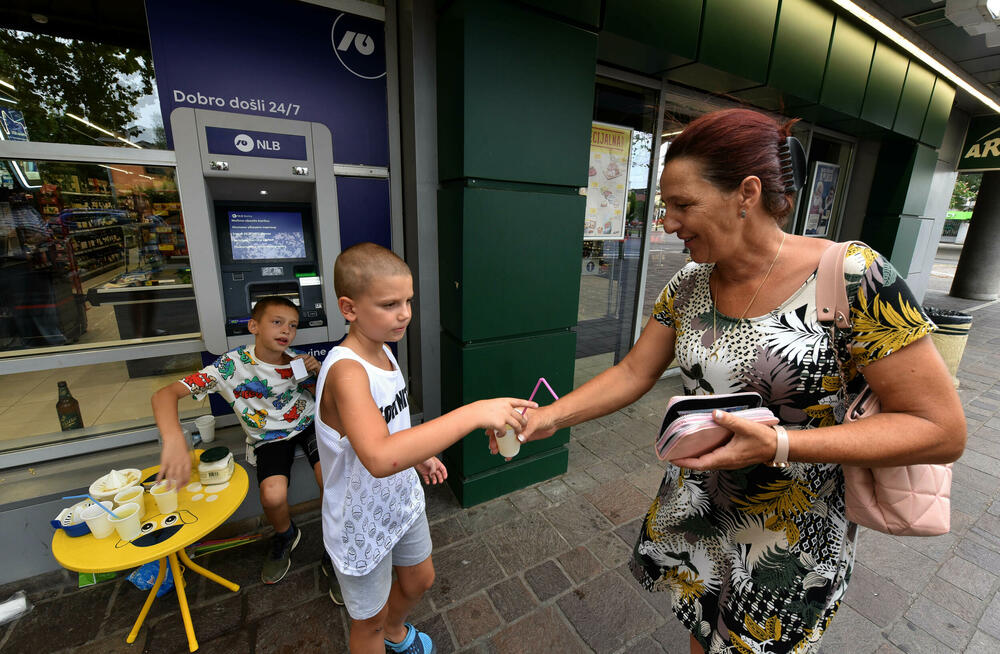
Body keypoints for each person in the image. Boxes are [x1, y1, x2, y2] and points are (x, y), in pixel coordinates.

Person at [505, 108, 967, 654]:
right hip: (700, 510)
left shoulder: (853, 275)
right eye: (665, 206)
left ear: (746, 193)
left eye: (682, 205)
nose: (668, 223)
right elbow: (634, 371)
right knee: (703, 636)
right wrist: (547, 418)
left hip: (788, 541)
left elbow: (941, 429)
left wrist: (781, 444)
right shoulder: (690, 283)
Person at [316, 242, 535, 654]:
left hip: (399, 499)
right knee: (368, 621)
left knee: (420, 579)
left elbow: (389, 427)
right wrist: (473, 413)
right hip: (359, 520)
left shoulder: (383, 349)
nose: (404, 313)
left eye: (408, 301)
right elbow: (379, 456)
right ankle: (383, 632)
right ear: (349, 308)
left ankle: (395, 633)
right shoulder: (346, 372)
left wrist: (417, 456)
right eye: (388, 304)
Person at [152, 296, 342, 599]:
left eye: (292, 325)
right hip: (268, 437)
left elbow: (323, 398)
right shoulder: (230, 365)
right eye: (277, 322)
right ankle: (285, 535)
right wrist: (174, 438)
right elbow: (164, 394)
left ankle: (336, 551)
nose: (286, 331)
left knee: (331, 482)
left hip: (307, 425)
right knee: (272, 494)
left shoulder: (295, 360)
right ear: (254, 326)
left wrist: (318, 372)